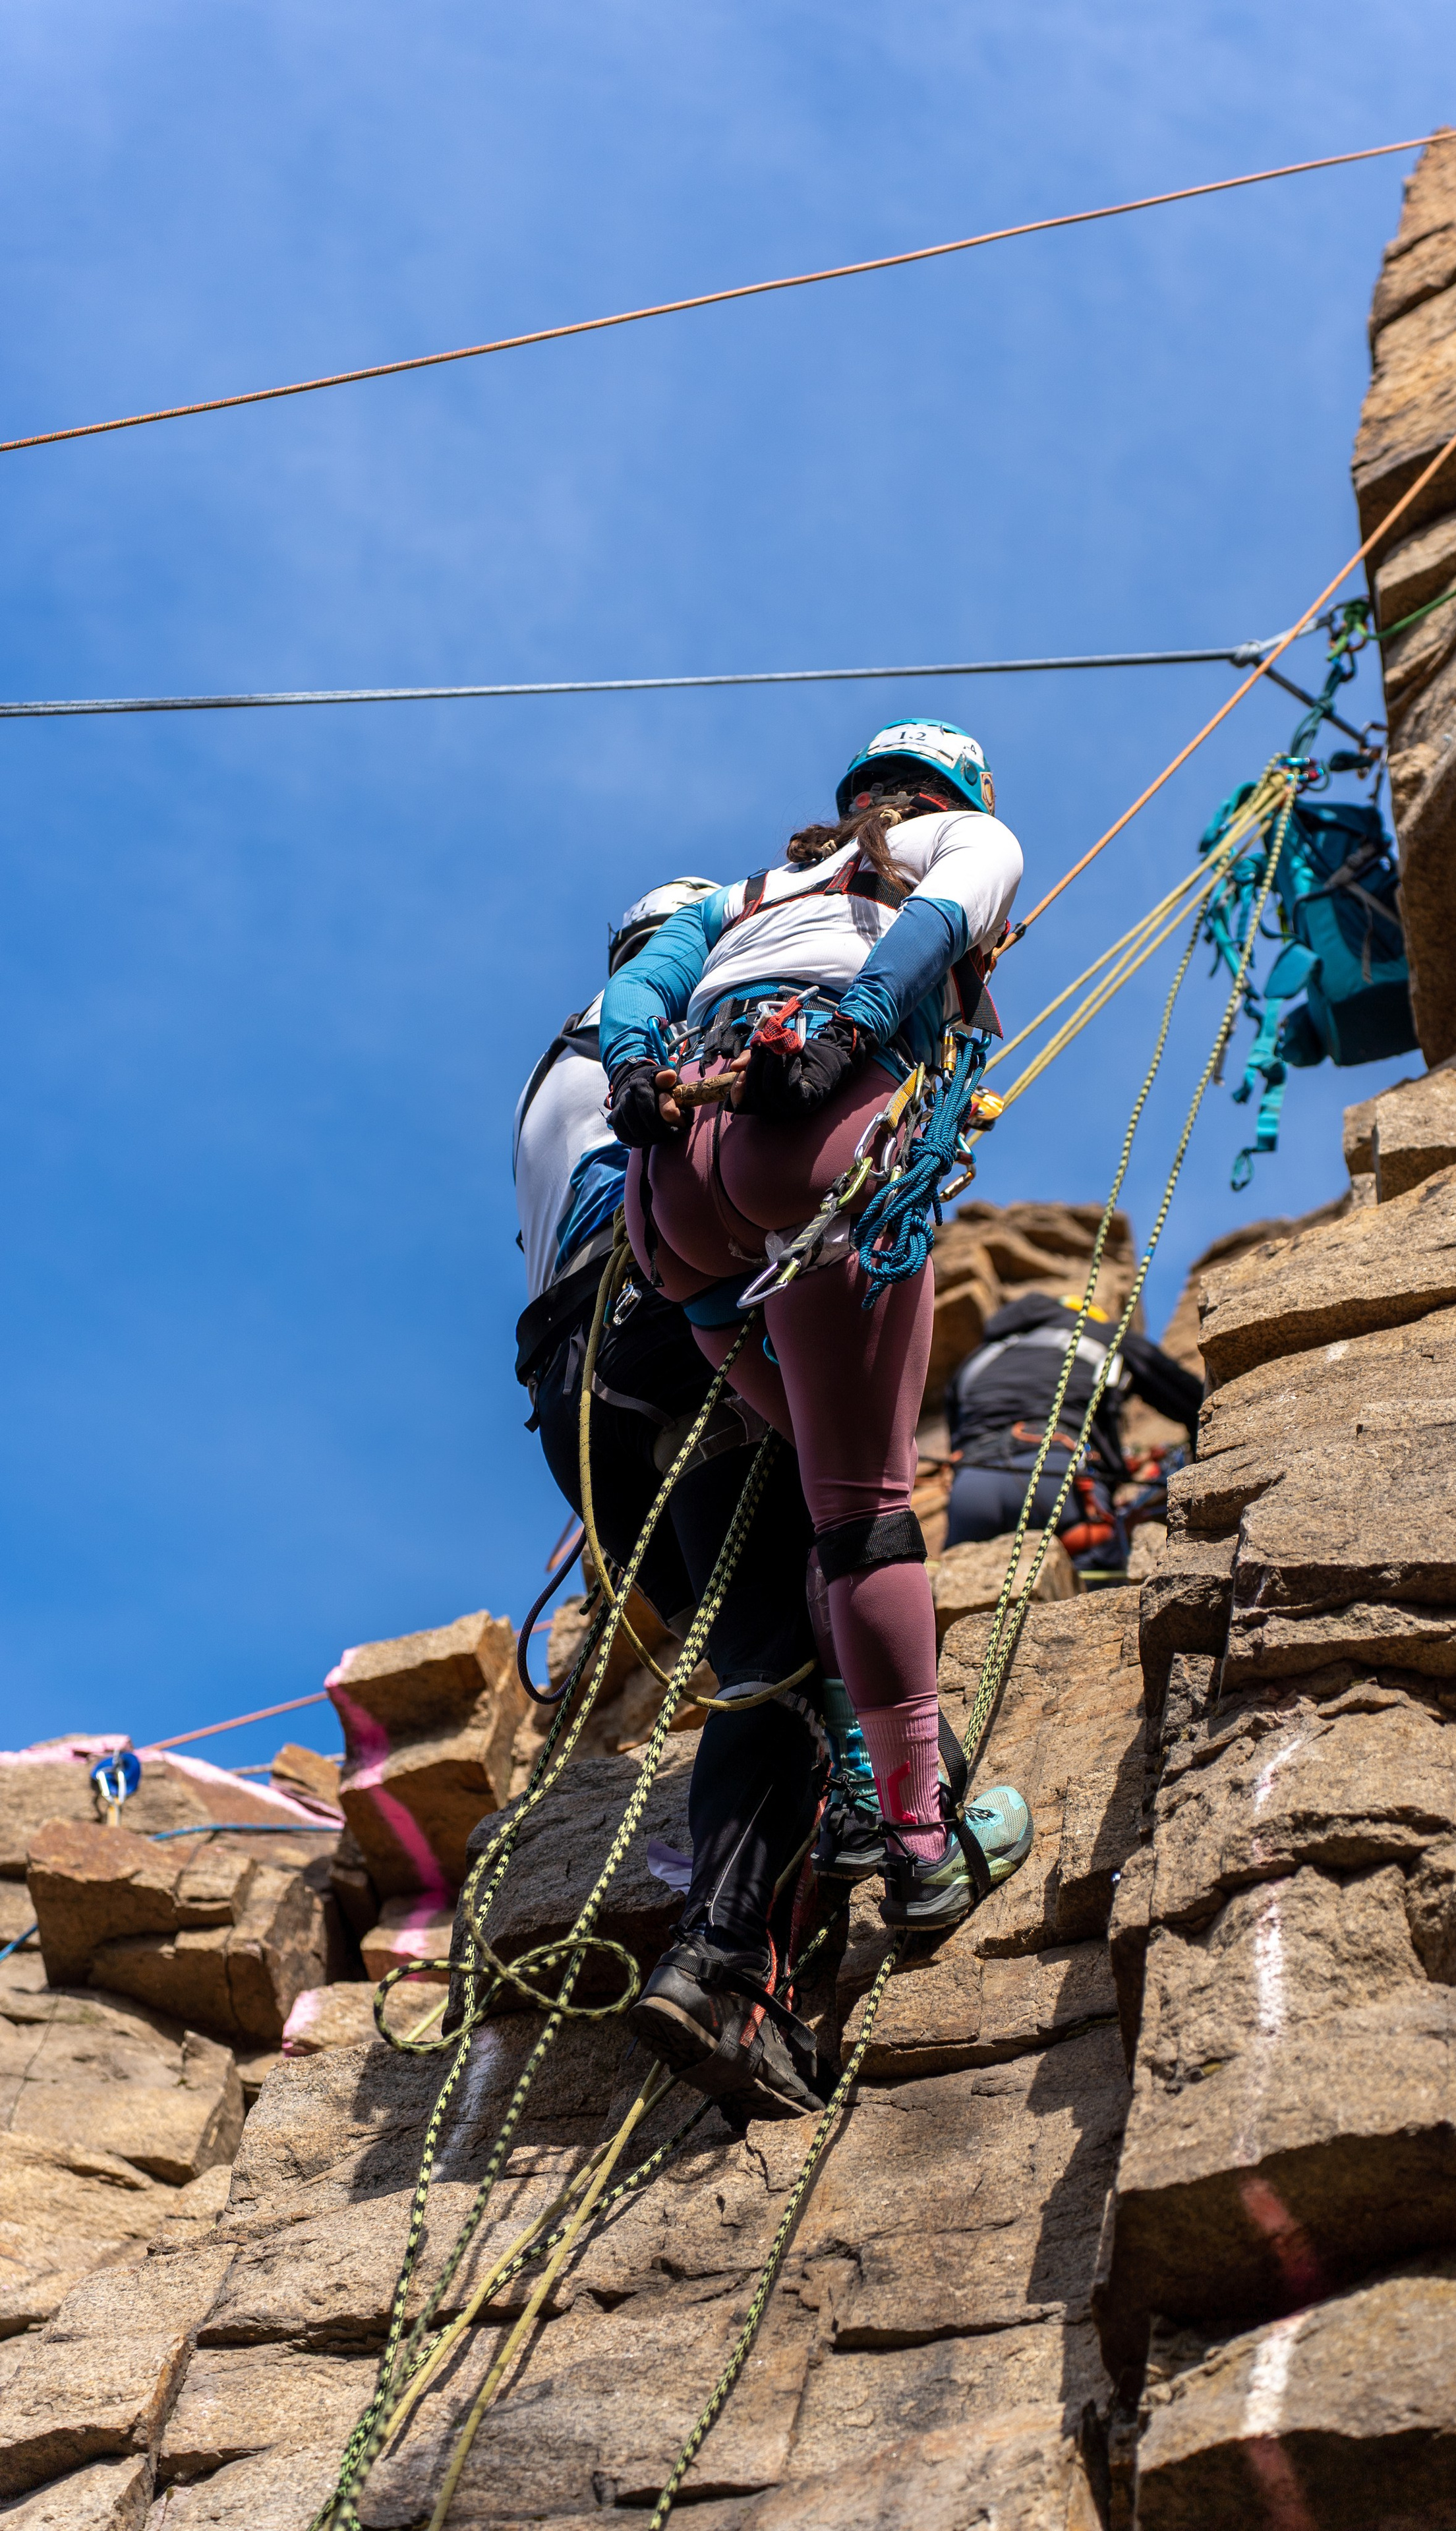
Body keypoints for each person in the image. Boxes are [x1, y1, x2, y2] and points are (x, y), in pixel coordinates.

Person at [598, 718, 1035, 1933]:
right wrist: (852, 1035)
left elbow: (635, 991)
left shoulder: (743, 892)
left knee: (814, 1473)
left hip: (673, 1199)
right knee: (865, 1514)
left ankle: (859, 1752)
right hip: (812, 1125)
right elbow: (942, 928)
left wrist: (637, 1069)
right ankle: (917, 1841)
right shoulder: (967, 835)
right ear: (957, 790)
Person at [515, 881, 831, 2122]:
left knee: (766, 1643)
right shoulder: (686, 1000)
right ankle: (726, 1962)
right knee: (791, 1640)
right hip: (660, 1315)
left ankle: (770, 1895)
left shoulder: (557, 1062)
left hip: (570, 1388)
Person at [943, 1293, 1205, 1564]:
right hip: (1053, 1471)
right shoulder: (1103, 1333)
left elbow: (957, 1433)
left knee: (960, 1586)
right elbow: (1193, 1401)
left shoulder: (978, 1358)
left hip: (971, 1486)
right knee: (1094, 1576)